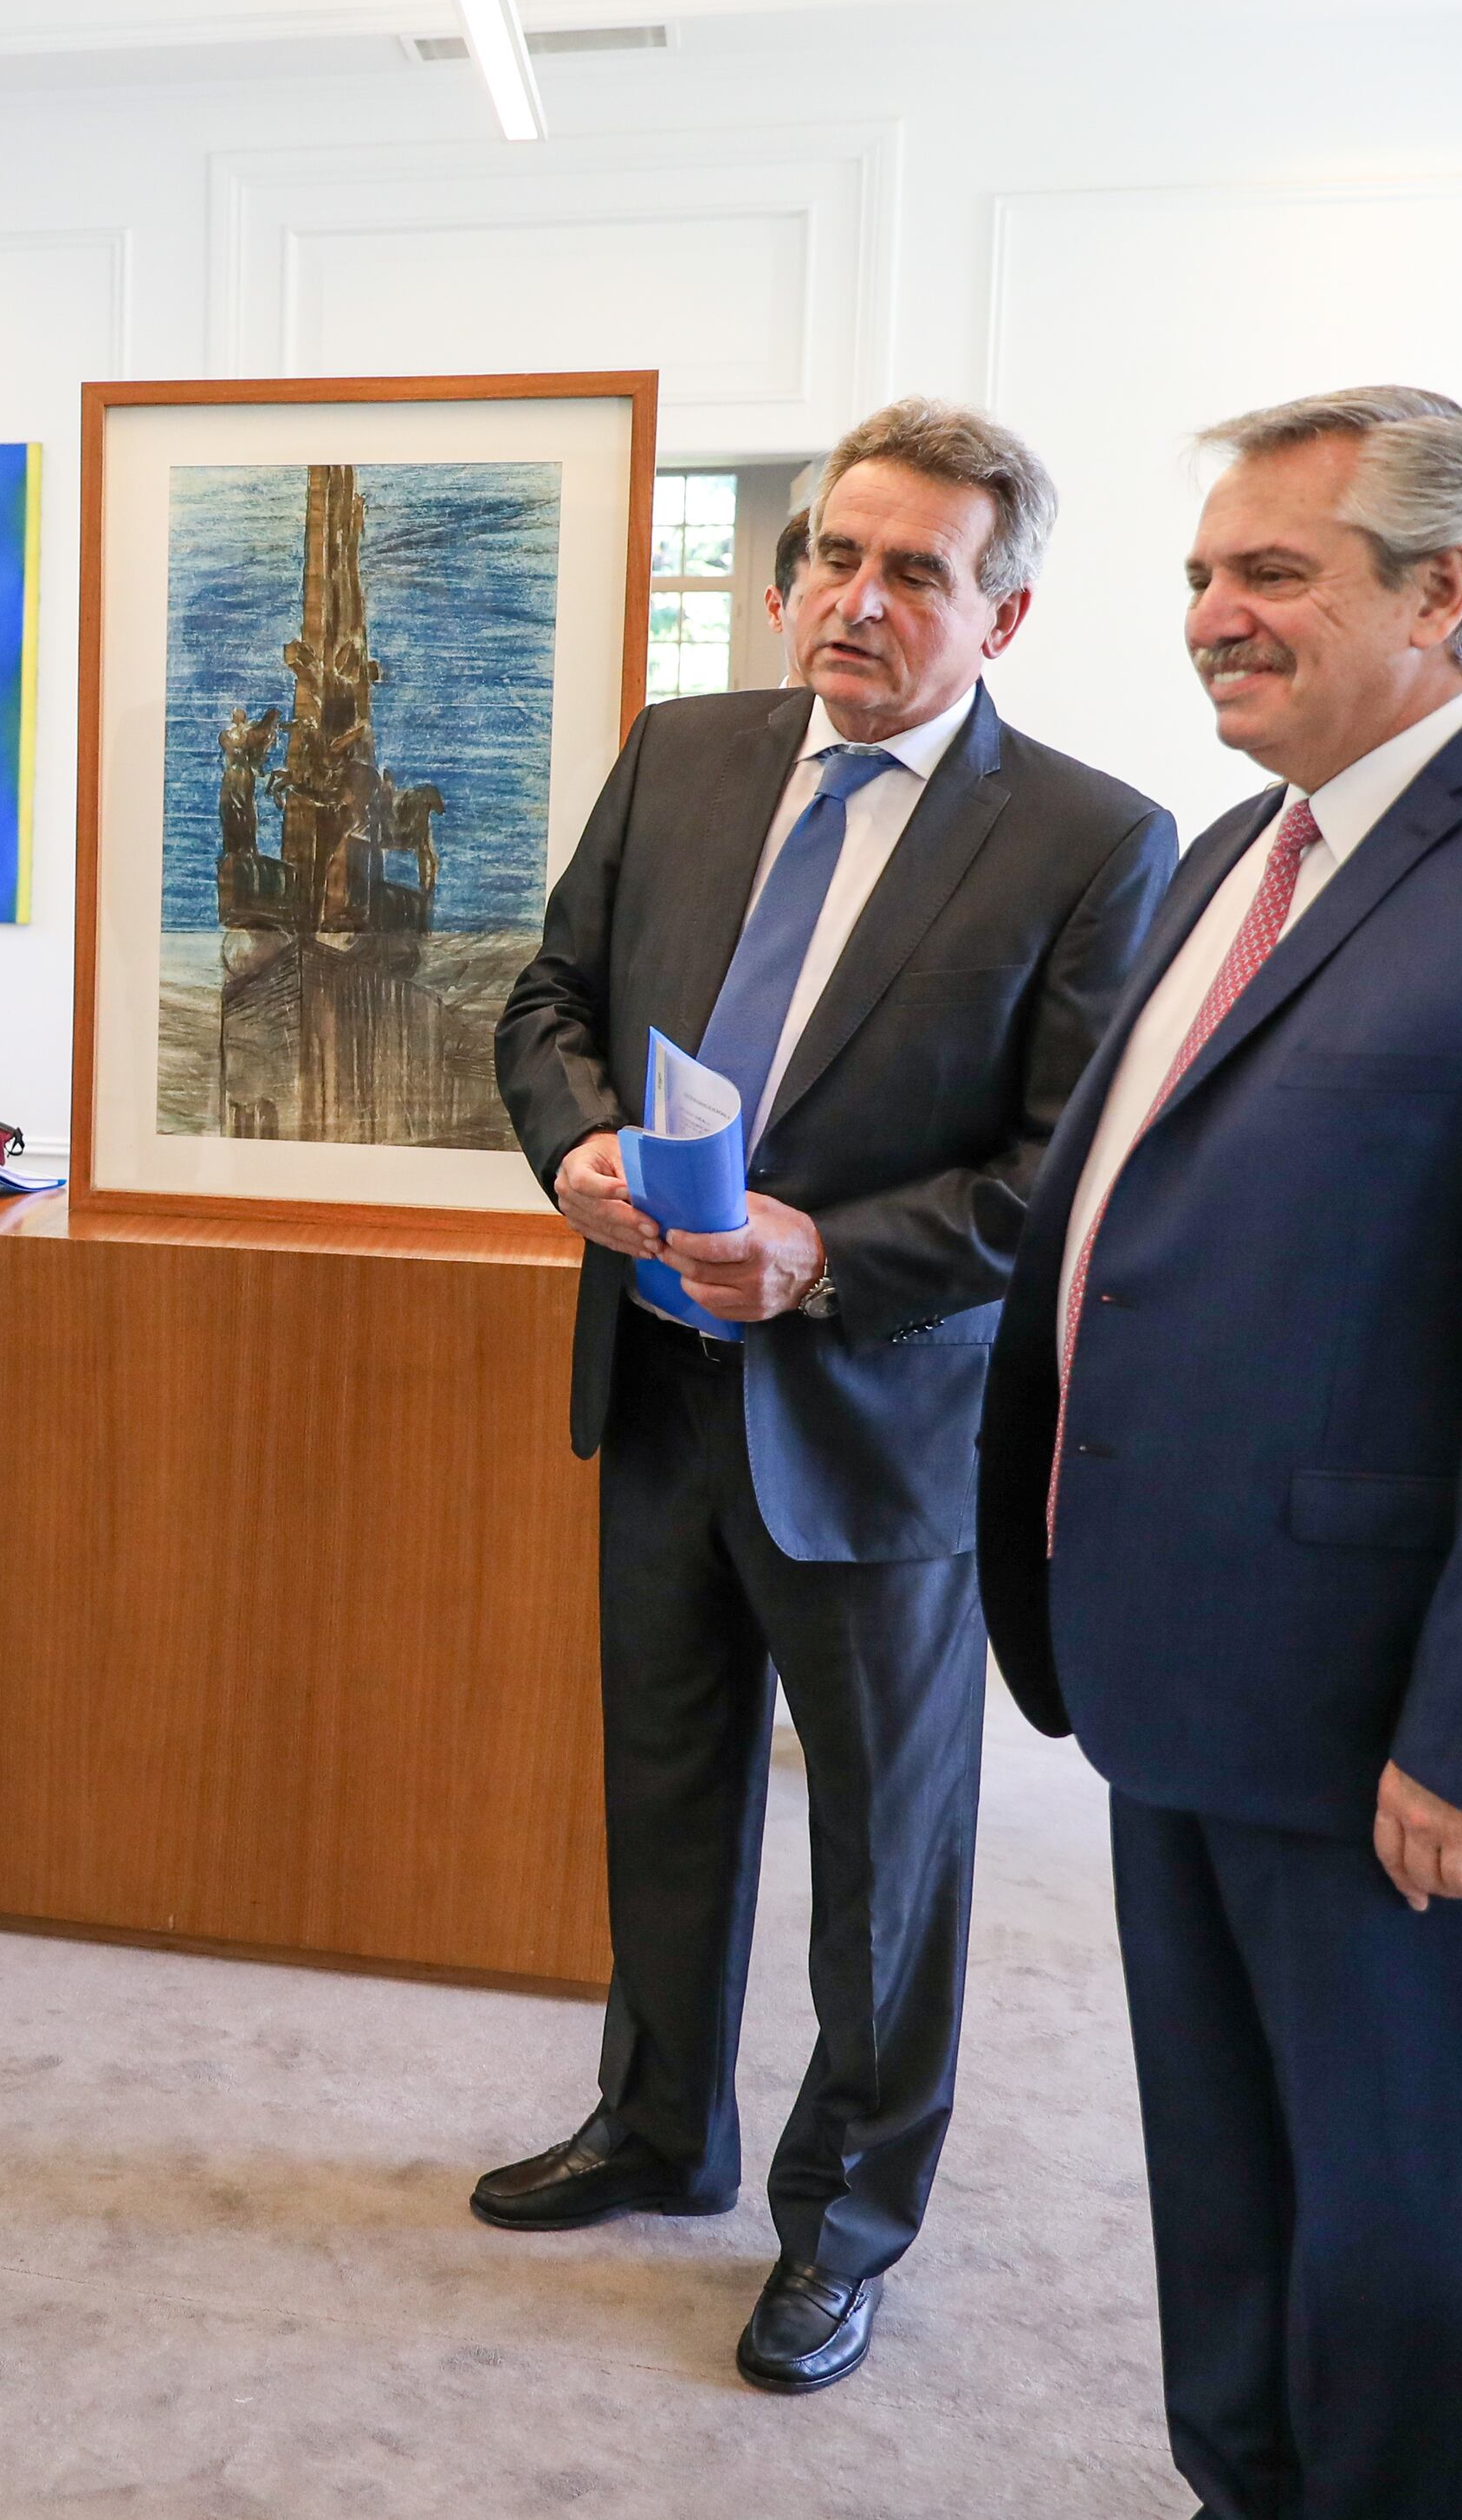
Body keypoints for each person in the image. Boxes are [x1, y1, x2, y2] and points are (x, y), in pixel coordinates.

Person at [979, 389, 1462, 2519]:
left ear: (1444, 591)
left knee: (1398, 2246)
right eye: (1199, 576)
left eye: (1272, 574)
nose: (1211, 620)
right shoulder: (1245, 846)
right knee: (1233, 2220)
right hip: (1190, 1681)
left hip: (1408, 1733)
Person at [487, 398, 1175, 2394]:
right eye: (832, 557)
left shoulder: (1086, 839)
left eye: (912, 573)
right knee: (665, 1782)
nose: (853, 602)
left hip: (877, 1428)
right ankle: (656, 2123)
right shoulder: (685, 753)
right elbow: (545, 998)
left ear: (1005, 611)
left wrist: (823, 1252)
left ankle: (844, 2223)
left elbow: (1066, 1176)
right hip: (659, 1384)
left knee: (887, 1856)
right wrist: (579, 1153)